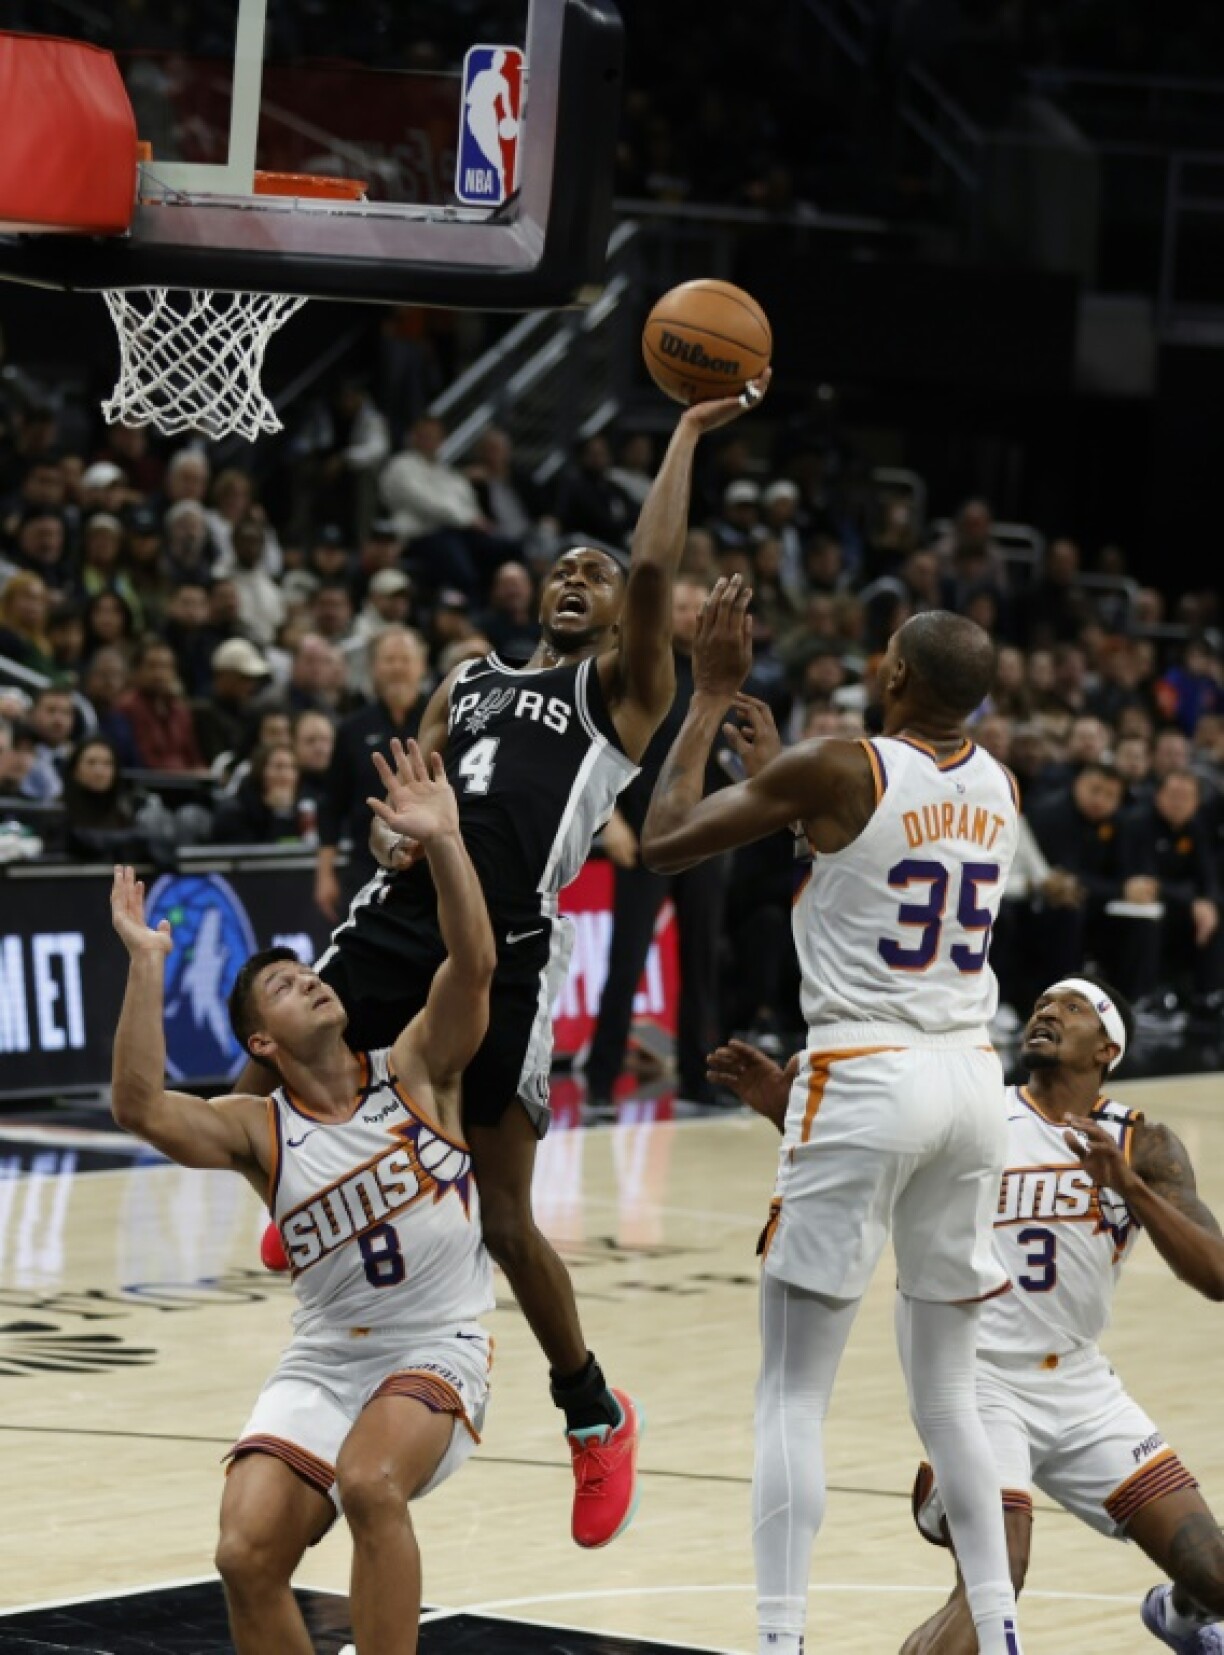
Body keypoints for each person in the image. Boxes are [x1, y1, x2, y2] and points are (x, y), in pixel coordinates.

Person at [244, 376, 770, 1549]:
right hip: (399, 908)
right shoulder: (470, 676)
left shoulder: (619, 697)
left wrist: (682, 433)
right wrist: (389, 830)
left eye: (597, 568)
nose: (582, 577)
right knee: (251, 1086)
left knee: (502, 1212)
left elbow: (649, 577)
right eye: (565, 568)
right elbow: (410, 787)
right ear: (536, 595)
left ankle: (592, 1408)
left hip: (508, 943)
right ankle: (295, 1188)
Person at [640, 580, 1025, 1654]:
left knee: (792, 1392)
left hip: (865, 1070)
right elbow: (874, 846)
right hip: (969, 1083)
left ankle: (779, 1641)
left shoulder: (838, 761)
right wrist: (782, 771)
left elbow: (664, 837)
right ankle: (1000, 1631)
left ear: (895, 673)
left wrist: (711, 692)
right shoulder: (1001, 782)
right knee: (950, 1391)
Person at [107, 737, 497, 1655]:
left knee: (370, 1483)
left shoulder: (416, 1069)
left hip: (438, 1347)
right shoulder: (259, 1126)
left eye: (308, 973)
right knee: (244, 1554)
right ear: (264, 1040)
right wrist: (146, 963)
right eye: (283, 986)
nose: (309, 981)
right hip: (326, 1362)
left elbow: (474, 965)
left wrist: (445, 841)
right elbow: (137, 1106)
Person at [713, 979, 1224, 1654]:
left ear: (1108, 1047)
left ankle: (1184, 1616)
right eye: (1043, 1001)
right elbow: (874, 1173)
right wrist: (792, 1117)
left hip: (1079, 1386)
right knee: (998, 1577)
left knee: (1215, 1574)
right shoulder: (975, 1114)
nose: (1047, 1010)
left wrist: (1125, 1186)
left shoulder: (1141, 1143)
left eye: (1071, 1006)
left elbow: (1216, 1274)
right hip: (976, 1382)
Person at [581, 573, 730, 1109]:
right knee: (625, 963)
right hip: (643, 839)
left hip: (703, 839)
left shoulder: (720, 677)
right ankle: (599, 1084)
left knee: (702, 964)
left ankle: (698, 1080)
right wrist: (609, 819)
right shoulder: (640, 670)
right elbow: (597, 748)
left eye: (699, 605)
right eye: (683, 604)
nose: (692, 614)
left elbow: (728, 764)